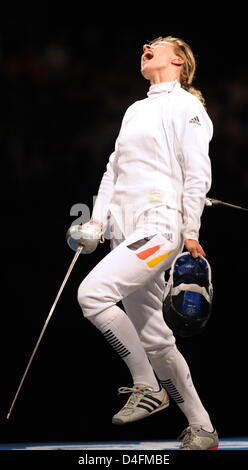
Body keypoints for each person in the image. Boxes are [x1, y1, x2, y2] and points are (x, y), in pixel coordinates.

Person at [75, 36, 219, 450]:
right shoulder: (135, 110)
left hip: (160, 228)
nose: (144, 45)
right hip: (125, 232)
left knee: (94, 295)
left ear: (178, 60)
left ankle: (148, 387)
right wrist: (97, 222)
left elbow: (197, 173)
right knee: (154, 338)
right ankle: (202, 427)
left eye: (157, 43)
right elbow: (112, 171)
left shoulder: (187, 107)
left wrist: (190, 230)